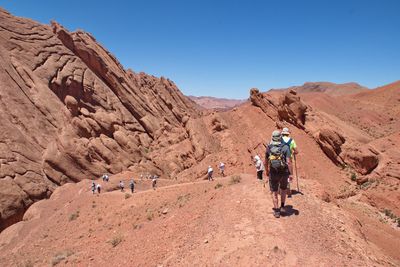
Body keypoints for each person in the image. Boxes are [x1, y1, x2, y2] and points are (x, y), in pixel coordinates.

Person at [265, 130, 293, 218]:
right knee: (283, 189)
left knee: (274, 191)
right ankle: (283, 207)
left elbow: (265, 162)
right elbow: (288, 162)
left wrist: (266, 171)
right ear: (280, 137)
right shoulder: (285, 147)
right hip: (284, 172)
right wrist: (291, 174)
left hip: (273, 173)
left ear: (272, 138)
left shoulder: (269, 147)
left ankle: (276, 211)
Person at [281, 127, 298, 198]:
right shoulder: (292, 140)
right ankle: (288, 191)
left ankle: (281, 189)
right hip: (289, 159)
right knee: (287, 174)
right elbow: (296, 151)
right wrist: (293, 152)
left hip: (281, 159)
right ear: (288, 134)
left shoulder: (280, 140)